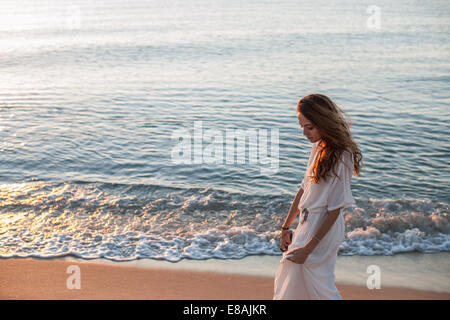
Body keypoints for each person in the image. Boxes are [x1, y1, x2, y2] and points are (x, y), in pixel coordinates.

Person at [273, 93, 362, 300]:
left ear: (324, 122)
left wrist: (308, 248)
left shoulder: (343, 154)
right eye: (301, 126)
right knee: (294, 278)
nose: (304, 132)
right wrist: (286, 227)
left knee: (319, 287)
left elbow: (335, 209)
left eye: (309, 127)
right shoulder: (319, 145)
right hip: (307, 223)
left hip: (323, 229)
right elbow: (304, 188)